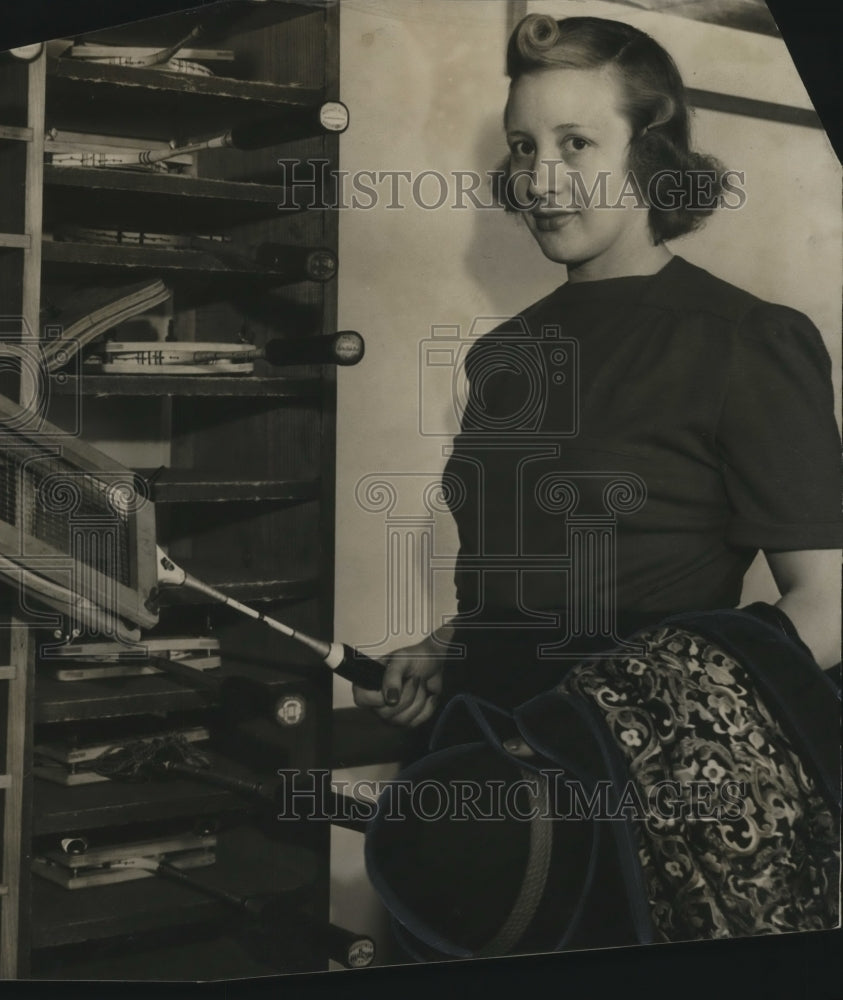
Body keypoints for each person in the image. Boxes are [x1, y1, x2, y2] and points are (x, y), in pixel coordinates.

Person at [353, 12, 842, 728]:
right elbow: (532, 591)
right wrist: (447, 648)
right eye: (523, 146)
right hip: (490, 753)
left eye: (575, 143)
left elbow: (828, 608)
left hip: (640, 782)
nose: (539, 179)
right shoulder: (504, 353)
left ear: (650, 154)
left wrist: (643, 722)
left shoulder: (746, 341)